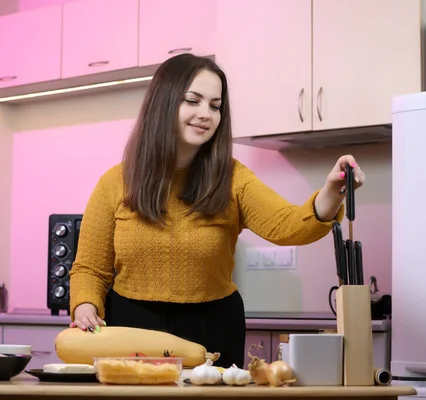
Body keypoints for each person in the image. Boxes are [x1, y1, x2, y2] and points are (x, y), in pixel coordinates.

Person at [68, 53, 366, 368]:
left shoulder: (233, 179)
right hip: (131, 326)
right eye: (193, 101)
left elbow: (288, 224)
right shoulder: (115, 182)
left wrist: (333, 191)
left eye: (215, 105)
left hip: (214, 328)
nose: (205, 114)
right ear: (164, 103)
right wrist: (85, 305)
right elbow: (90, 269)